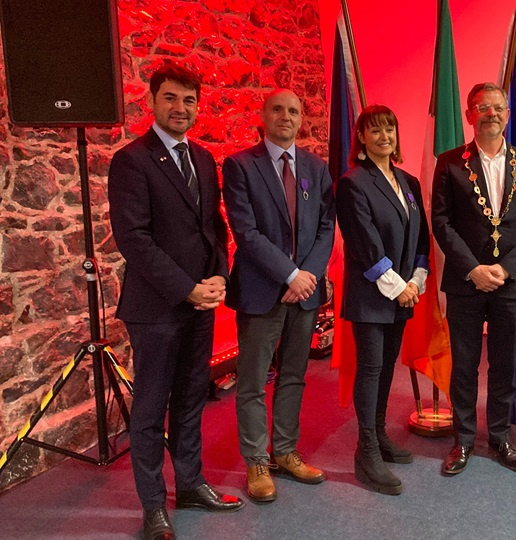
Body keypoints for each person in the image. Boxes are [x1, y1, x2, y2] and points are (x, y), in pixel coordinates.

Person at [108, 64, 243, 540]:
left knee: (190, 401)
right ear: (152, 101)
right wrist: (188, 287)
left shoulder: (204, 159)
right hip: (156, 308)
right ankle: (153, 507)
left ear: (197, 105)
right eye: (170, 98)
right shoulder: (131, 161)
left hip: (201, 305)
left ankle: (189, 484)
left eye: (188, 100)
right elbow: (134, 239)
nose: (180, 108)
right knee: (149, 410)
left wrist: (220, 278)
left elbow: (215, 229)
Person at [431, 82, 516, 476]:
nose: (491, 114)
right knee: (464, 366)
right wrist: (473, 269)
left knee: (503, 365)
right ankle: (463, 441)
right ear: (469, 115)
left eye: (497, 107)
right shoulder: (449, 162)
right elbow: (442, 222)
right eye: (482, 107)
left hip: (512, 283)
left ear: (508, 114)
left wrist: (505, 269)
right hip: (466, 283)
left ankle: (500, 438)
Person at [222, 89, 335, 502]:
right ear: (264, 114)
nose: (285, 116)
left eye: (293, 110)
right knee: (252, 381)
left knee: (293, 376)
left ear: (301, 118)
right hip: (261, 291)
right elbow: (245, 231)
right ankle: (256, 460)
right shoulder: (239, 166)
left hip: (304, 294)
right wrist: (289, 274)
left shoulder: (315, 167)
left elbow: (326, 227)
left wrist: (307, 277)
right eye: (278, 109)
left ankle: (284, 451)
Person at [335, 104, 430, 495]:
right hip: (373, 294)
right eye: (374, 130)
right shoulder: (353, 183)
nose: (384, 137)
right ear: (362, 138)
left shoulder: (408, 182)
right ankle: (366, 448)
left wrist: (417, 279)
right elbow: (365, 245)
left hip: (403, 293)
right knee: (371, 369)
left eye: (389, 129)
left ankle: (378, 433)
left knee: (387, 366)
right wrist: (399, 285)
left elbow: (421, 237)